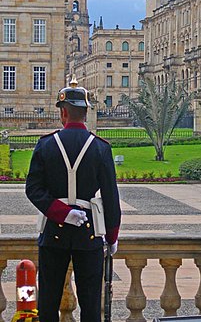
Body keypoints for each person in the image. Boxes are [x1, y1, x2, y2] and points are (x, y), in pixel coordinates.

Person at [26, 77, 121, 322]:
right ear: (86, 113)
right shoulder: (101, 148)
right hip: (88, 232)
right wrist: (111, 237)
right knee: (91, 304)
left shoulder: (46, 145)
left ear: (64, 112)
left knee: (48, 302)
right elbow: (111, 199)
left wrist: (60, 212)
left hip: (52, 232)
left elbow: (33, 189)